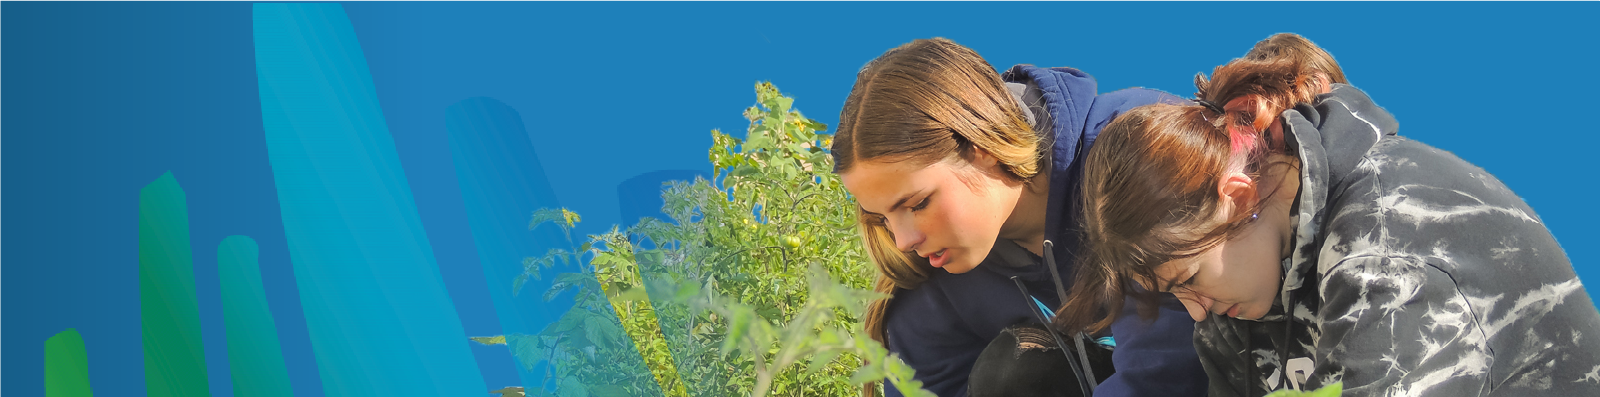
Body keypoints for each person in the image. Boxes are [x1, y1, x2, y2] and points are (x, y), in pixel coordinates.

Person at [1058, 36, 1600, 396]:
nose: (1195, 314)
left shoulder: (1388, 251)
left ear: (1239, 196)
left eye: (1188, 280)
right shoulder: (1242, 294)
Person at [830, 37, 1208, 397]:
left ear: (982, 148)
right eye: (882, 218)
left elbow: (1165, 373)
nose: (904, 241)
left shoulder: (1141, 151)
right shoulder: (930, 278)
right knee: (1016, 370)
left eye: (917, 204)